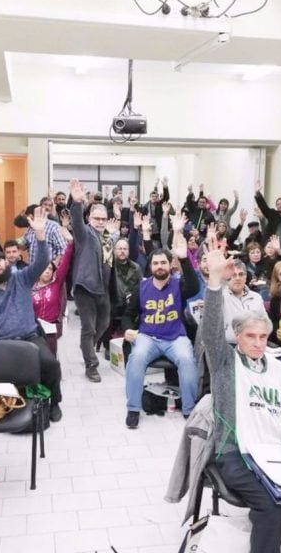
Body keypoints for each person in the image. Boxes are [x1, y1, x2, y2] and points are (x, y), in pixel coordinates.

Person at [201, 246, 281, 553]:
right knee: (272, 509)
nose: (258, 343)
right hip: (235, 454)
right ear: (237, 337)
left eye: (262, 337)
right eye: (250, 337)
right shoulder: (224, 363)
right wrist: (215, 281)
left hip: (275, 455)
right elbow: (209, 332)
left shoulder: (276, 367)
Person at [0, 207, 63, 422]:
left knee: (51, 365)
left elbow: (42, 262)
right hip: (1, 343)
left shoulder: (21, 279)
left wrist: (40, 237)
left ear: (7, 261)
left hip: (30, 337)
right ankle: (6, 405)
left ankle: (55, 402)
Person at [121, 214, 199, 429]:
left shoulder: (178, 284)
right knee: (135, 358)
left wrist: (183, 259)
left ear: (169, 264)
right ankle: (134, 409)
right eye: (155, 263)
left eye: (163, 262)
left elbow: (194, 286)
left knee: (187, 360)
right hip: (149, 337)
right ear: (151, 266)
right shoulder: (142, 287)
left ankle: (189, 409)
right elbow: (128, 314)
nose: (159, 266)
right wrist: (127, 329)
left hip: (176, 337)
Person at [69, 178, 118, 383]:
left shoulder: (107, 237)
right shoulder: (85, 234)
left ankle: (86, 345)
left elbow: (110, 255)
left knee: (104, 323)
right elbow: (77, 223)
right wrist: (77, 203)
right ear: (90, 218)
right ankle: (91, 364)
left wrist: (114, 234)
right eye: (96, 218)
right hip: (85, 288)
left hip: (103, 290)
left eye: (102, 219)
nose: (99, 221)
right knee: (88, 328)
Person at [32, 237, 74, 356]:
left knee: (51, 359)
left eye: (50, 269)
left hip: (51, 329)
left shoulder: (56, 283)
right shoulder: (30, 286)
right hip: (33, 330)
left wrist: (70, 245)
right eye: (44, 269)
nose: (47, 271)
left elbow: (65, 264)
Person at [222, 260, 267, 344]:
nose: (238, 278)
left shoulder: (256, 297)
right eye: (233, 275)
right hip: (231, 345)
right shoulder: (221, 296)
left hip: (256, 344)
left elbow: (266, 323)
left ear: (246, 277)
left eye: (241, 274)